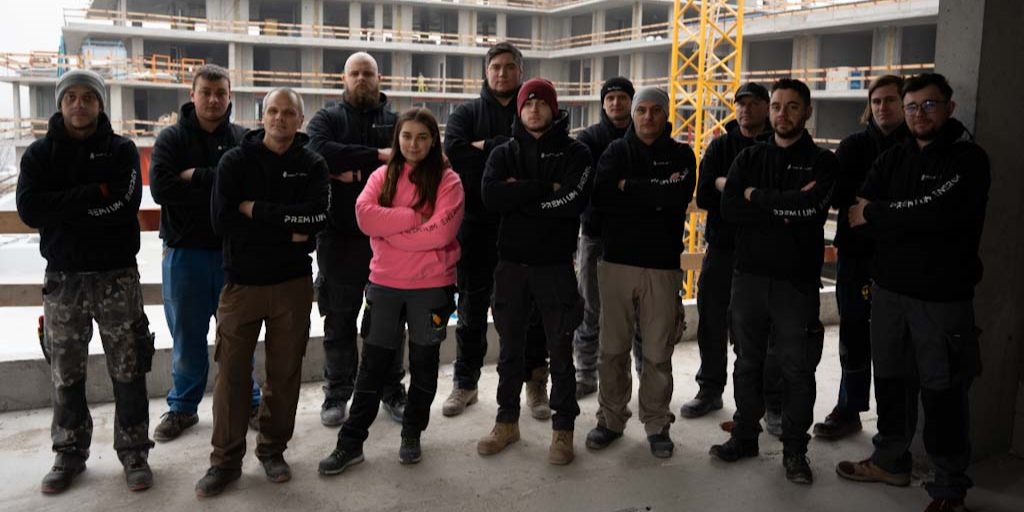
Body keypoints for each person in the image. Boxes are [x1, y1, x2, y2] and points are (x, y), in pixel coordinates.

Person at [837, 73, 989, 512]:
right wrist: (899, 217)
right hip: (889, 292)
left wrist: (883, 214)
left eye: (929, 104)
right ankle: (890, 460)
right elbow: (857, 213)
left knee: (943, 392)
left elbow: (940, 214)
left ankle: (948, 487)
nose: (919, 114)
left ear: (949, 108)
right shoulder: (894, 157)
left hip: (941, 298)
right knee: (890, 381)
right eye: (912, 106)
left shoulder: (968, 159)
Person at [17, 69, 155, 493]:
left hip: (117, 277)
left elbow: (124, 204)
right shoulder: (39, 154)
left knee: (129, 366)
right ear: (60, 103)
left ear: (99, 104)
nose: (80, 104)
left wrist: (63, 207)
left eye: (88, 97)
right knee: (66, 370)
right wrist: (93, 194)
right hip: (64, 280)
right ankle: (69, 452)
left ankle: (134, 451)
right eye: (71, 97)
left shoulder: (121, 150)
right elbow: (29, 209)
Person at [195, 87, 330, 497]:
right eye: (273, 111)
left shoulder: (312, 163)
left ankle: (272, 450)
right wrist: (288, 232)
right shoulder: (235, 161)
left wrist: (256, 210)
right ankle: (225, 461)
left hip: (292, 285)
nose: (279, 118)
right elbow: (222, 222)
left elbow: (316, 219)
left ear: (300, 120)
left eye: (288, 113)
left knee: (284, 374)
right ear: (262, 115)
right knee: (231, 377)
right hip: (242, 285)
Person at [318, 108, 464, 474]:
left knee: (424, 367)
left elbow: (442, 234)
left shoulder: (448, 181)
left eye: (422, 137)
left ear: (433, 141)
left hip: (431, 286)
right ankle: (350, 443)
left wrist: (391, 233)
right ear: (396, 139)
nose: (414, 144)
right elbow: (365, 217)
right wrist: (414, 219)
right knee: (372, 368)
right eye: (407, 136)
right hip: (384, 285)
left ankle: (412, 433)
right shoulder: (381, 176)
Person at [710, 78, 838, 485]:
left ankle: (795, 451)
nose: (783, 114)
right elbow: (729, 210)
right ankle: (745, 436)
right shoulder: (749, 156)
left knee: (796, 369)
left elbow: (811, 211)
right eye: (778, 106)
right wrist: (785, 206)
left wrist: (755, 196)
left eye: (792, 106)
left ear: (807, 112)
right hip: (748, 278)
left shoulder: (822, 162)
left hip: (796, 284)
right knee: (747, 363)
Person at [476, 78, 592, 465]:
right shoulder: (504, 152)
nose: (534, 109)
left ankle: (563, 430)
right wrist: (544, 188)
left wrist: (520, 197)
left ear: (554, 109)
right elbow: (491, 196)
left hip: (554, 267)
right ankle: (506, 422)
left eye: (542, 103)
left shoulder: (576, 152)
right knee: (510, 350)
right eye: (528, 103)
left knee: (560, 350)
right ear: (520, 109)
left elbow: (573, 201)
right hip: (511, 266)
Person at [149, 64, 262, 442]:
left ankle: (249, 400)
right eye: (206, 92)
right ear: (192, 95)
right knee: (187, 336)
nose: (213, 100)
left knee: (239, 336)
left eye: (220, 93)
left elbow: (252, 187)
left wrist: (195, 176)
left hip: (234, 255)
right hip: (184, 254)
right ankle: (183, 406)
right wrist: (221, 188)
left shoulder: (243, 139)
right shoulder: (171, 139)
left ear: (230, 97)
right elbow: (162, 189)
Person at [585, 87, 696, 458]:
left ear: (666, 115)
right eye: (642, 110)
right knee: (611, 350)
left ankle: (657, 423)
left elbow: (676, 196)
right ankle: (610, 420)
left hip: (662, 267)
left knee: (657, 352)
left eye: (656, 110)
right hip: (616, 264)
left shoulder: (681, 154)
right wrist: (655, 192)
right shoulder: (615, 152)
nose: (648, 117)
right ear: (633, 115)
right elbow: (602, 197)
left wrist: (629, 187)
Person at [443, 42, 550, 419]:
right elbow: (456, 154)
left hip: (525, 229)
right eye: (495, 67)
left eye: (509, 66)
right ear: (486, 72)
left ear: (521, 71)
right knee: (471, 310)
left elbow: (542, 161)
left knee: (531, 311)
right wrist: (506, 150)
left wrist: (486, 148)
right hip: (475, 228)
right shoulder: (466, 113)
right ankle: (465, 383)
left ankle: (535, 382)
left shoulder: (534, 110)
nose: (502, 73)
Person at [307, 52, 408, 427]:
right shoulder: (327, 119)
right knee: (339, 319)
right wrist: (378, 156)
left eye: (368, 73)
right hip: (339, 237)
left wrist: (350, 170)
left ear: (379, 78)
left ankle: (392, 389)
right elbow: (318, 152)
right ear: (344, 79)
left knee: (390, 320)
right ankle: (337, 391)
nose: (362, 78)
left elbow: (409, 162)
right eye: (355, 73)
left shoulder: (397, 123)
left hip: (389, 239)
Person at [684, 82, 785, 436]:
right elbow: (705, 196)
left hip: (763, 254)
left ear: (766, 107)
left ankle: (770, 402)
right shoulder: (720, 145)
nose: (745, 109)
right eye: (740, 104)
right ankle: (710, 389)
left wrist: (730, 188)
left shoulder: (779, 145)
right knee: (711, 321)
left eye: (754, 103)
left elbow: (780, 200)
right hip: (722, 250)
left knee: (762, 331)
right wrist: (754, 196)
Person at [812, 75, 908, 440]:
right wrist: (887, 204)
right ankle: (848, 409)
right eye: (877, 101)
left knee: (894, 342)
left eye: (890, 100)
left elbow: (908, 201)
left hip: (898, 258)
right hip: (854, 254)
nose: (883, 107)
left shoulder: (915, 146)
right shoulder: (853, 145)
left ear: (903, 104)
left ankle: (893, 423)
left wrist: (871, 206)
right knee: (853, 334)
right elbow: (839, 196)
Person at [572, 76, 641, 399]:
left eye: (622, 97)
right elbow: (589, 187)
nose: (616, 103)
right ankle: (585, 375)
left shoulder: (644, 136)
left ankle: (645, 378)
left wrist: (627, 187)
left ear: (631, 101)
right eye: (610, 98)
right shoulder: (588, 139)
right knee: (589, 309)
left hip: (635, 238)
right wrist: (628, 188)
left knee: (640, 314)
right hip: (595, 235)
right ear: (603, 103)